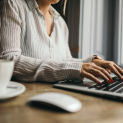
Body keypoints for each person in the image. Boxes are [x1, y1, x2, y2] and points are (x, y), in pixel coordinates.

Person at [0, 0, 123, 84]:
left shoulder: (60, 23)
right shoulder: (12, 5)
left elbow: (64, 61)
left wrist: (90, 62)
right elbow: (10, 60)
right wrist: (74, 68)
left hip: (56, 96)